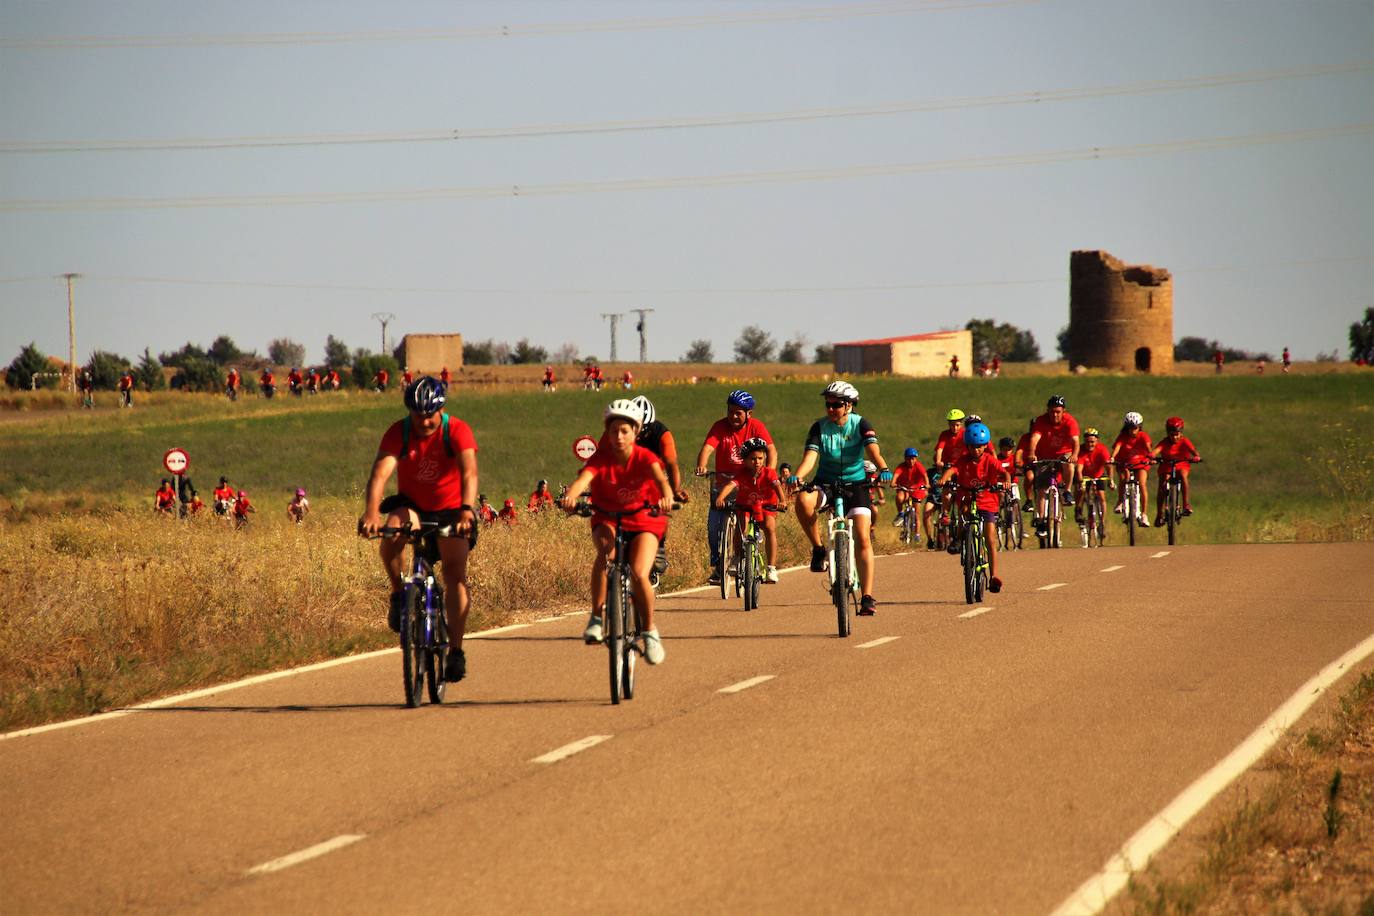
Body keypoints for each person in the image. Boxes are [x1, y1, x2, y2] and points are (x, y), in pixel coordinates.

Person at [359, 376, 479, 683]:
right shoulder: (399, 432)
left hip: (453, 509)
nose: (424, 421)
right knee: (392, 529)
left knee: (454, 575)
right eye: (418, 414)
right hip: (413, 505)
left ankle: (455, 650)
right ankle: (400, 594)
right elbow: (380, 473)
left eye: (430, 415)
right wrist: (371, 512)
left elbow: (469, 472)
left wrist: (467, 510)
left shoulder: (457, 430)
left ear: (441, 410)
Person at [560, 399, 674, 665]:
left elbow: (661, 481)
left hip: (645, 518)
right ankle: (597, 618)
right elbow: (582, 480)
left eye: (625, 431)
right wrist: (571, 498)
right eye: (614, 431)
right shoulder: (601, 458)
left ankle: (649, 631)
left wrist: (667, 497)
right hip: (607, 516)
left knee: (639, 572)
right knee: (606, 553)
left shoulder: (646, 457)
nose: (619, 437)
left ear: (635, 432)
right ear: (607, 433)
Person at [788, 380, 891, 616]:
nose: (831, 409)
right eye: (828, 404)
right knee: (803, 500)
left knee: (863, 538)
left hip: (856, 485)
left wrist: (883, 468)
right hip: (826, 482)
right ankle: (818, 549)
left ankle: (867, 596)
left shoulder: (860, 423)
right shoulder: (819, 427)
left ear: (849, 406)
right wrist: (798, 476)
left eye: (836, 404)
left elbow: (873, 450)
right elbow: (810, 458)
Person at [695, 389, 776, 585]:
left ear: (749, 414)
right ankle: (718, 568)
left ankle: (748, 557)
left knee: (752, 524)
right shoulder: (720, 426)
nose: (733, 416)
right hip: (723, 482)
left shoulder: (757, 427)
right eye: (730, 411)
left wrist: (769, 472)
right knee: (714, 526)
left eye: (738, 413)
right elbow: (708, 447)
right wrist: (702, 464)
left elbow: (771, 449)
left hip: (749, 484)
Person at [935, 422, 1009, 593]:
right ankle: (960, 539)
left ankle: (994, 576)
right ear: (967, 446)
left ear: (985, 446)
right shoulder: (963, 460)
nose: (976, 450)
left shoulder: (990, 460)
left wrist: (1006, 481)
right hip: (967, 496)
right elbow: (953, 469)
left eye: (979, 447)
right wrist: (943, 478)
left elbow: (1003, 472)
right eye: (972, 447)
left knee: (990, 537)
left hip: (987, 500)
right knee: (964, 514)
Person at [714, 437, 787, 583]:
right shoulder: (742, 474)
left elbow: (777, 486)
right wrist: (720, 498)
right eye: (753, 459)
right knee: (741, 527)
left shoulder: (769, 473)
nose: (757, 462)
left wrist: (782, 501)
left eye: (760, 458)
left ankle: (771, 568)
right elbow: (731, 485)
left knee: (769, 527)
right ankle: (737, 557)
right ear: (745, 461)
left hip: (767, 505)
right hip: (746, 505)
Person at [1028, 395, 1082, 536]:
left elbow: (1075, 441)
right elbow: (1035, 438)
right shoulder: (1041, 421)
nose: (1055, 415)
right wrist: (1032, 453)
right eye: (1052, 411)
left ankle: (1067, 491)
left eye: (1058, 411)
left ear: (1064, 411)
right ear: (1048, 411)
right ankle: (1040, 520)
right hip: (1044, 456)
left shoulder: (1070, 421)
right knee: (1041, 490)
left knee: (1069, 465)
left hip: (1063, 454)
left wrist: (1075, 455)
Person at [1152, 416, 1202, 525]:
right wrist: (1151, 457)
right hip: (1166, 466)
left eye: (1177, 434)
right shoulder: (1164, 442)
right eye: (1172, 434)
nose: (1175, 437)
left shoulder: (1184, 441)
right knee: (1163, 484)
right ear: (1167, 433)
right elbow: (1155, 451)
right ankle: (1159, 514)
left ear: (1181, 433)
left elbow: (1193, 451)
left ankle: (1185, 505)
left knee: (1183, 476)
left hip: (1181, 465)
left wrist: (1196, 457)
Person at [1109, 411, 1152, 527]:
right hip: (1124, 463)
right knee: (1124, 479)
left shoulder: (1143, 436)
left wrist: (1151, 457)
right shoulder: (1123, 436)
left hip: (1140, 463)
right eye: (1130, 428)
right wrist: (1112, 457)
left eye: (1135, 428)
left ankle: (1144, 514)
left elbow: (1148, 448)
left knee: (1142, 484)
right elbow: (1117, 447)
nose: (1132, 431)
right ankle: (1120, 502)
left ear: (1140, 427)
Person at [1075, 427, 1113, 534]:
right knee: (1081, 491)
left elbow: (1109, 466)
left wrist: (1111, 480)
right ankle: (1078, 510)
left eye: (1092, 442)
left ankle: (1102, 523)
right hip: (1084, 476)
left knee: (1101, 496)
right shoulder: (1081, 451)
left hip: (1098, 475)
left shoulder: (1102, 449)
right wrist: (1081, 482)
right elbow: (1079, 469)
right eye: (1087, 442)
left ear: (1097, 441)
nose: (1090, 444)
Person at [891, 447, 928, 543]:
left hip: (917, 489)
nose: (911, 461)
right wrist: (893, 482)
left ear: (916, 459)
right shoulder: (901, 467)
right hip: (904, 488)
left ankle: (917, 534)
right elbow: (896, 475)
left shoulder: (918, 466)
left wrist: (927, 484)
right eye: (908, 458)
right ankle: (900, 514)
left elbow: (925, 475)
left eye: (913, 458)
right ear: (905, 458)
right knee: (900, 497)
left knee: (916, 512)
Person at [933, 409, 967, 473]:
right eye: (952, 425)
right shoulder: (944, 434)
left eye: (957, 425)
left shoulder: (965, 434)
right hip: (946, 465)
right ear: (949, 424)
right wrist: (938, 461)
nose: (955, 428)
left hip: (961, 464)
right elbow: (940, 449)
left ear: (961, 424)